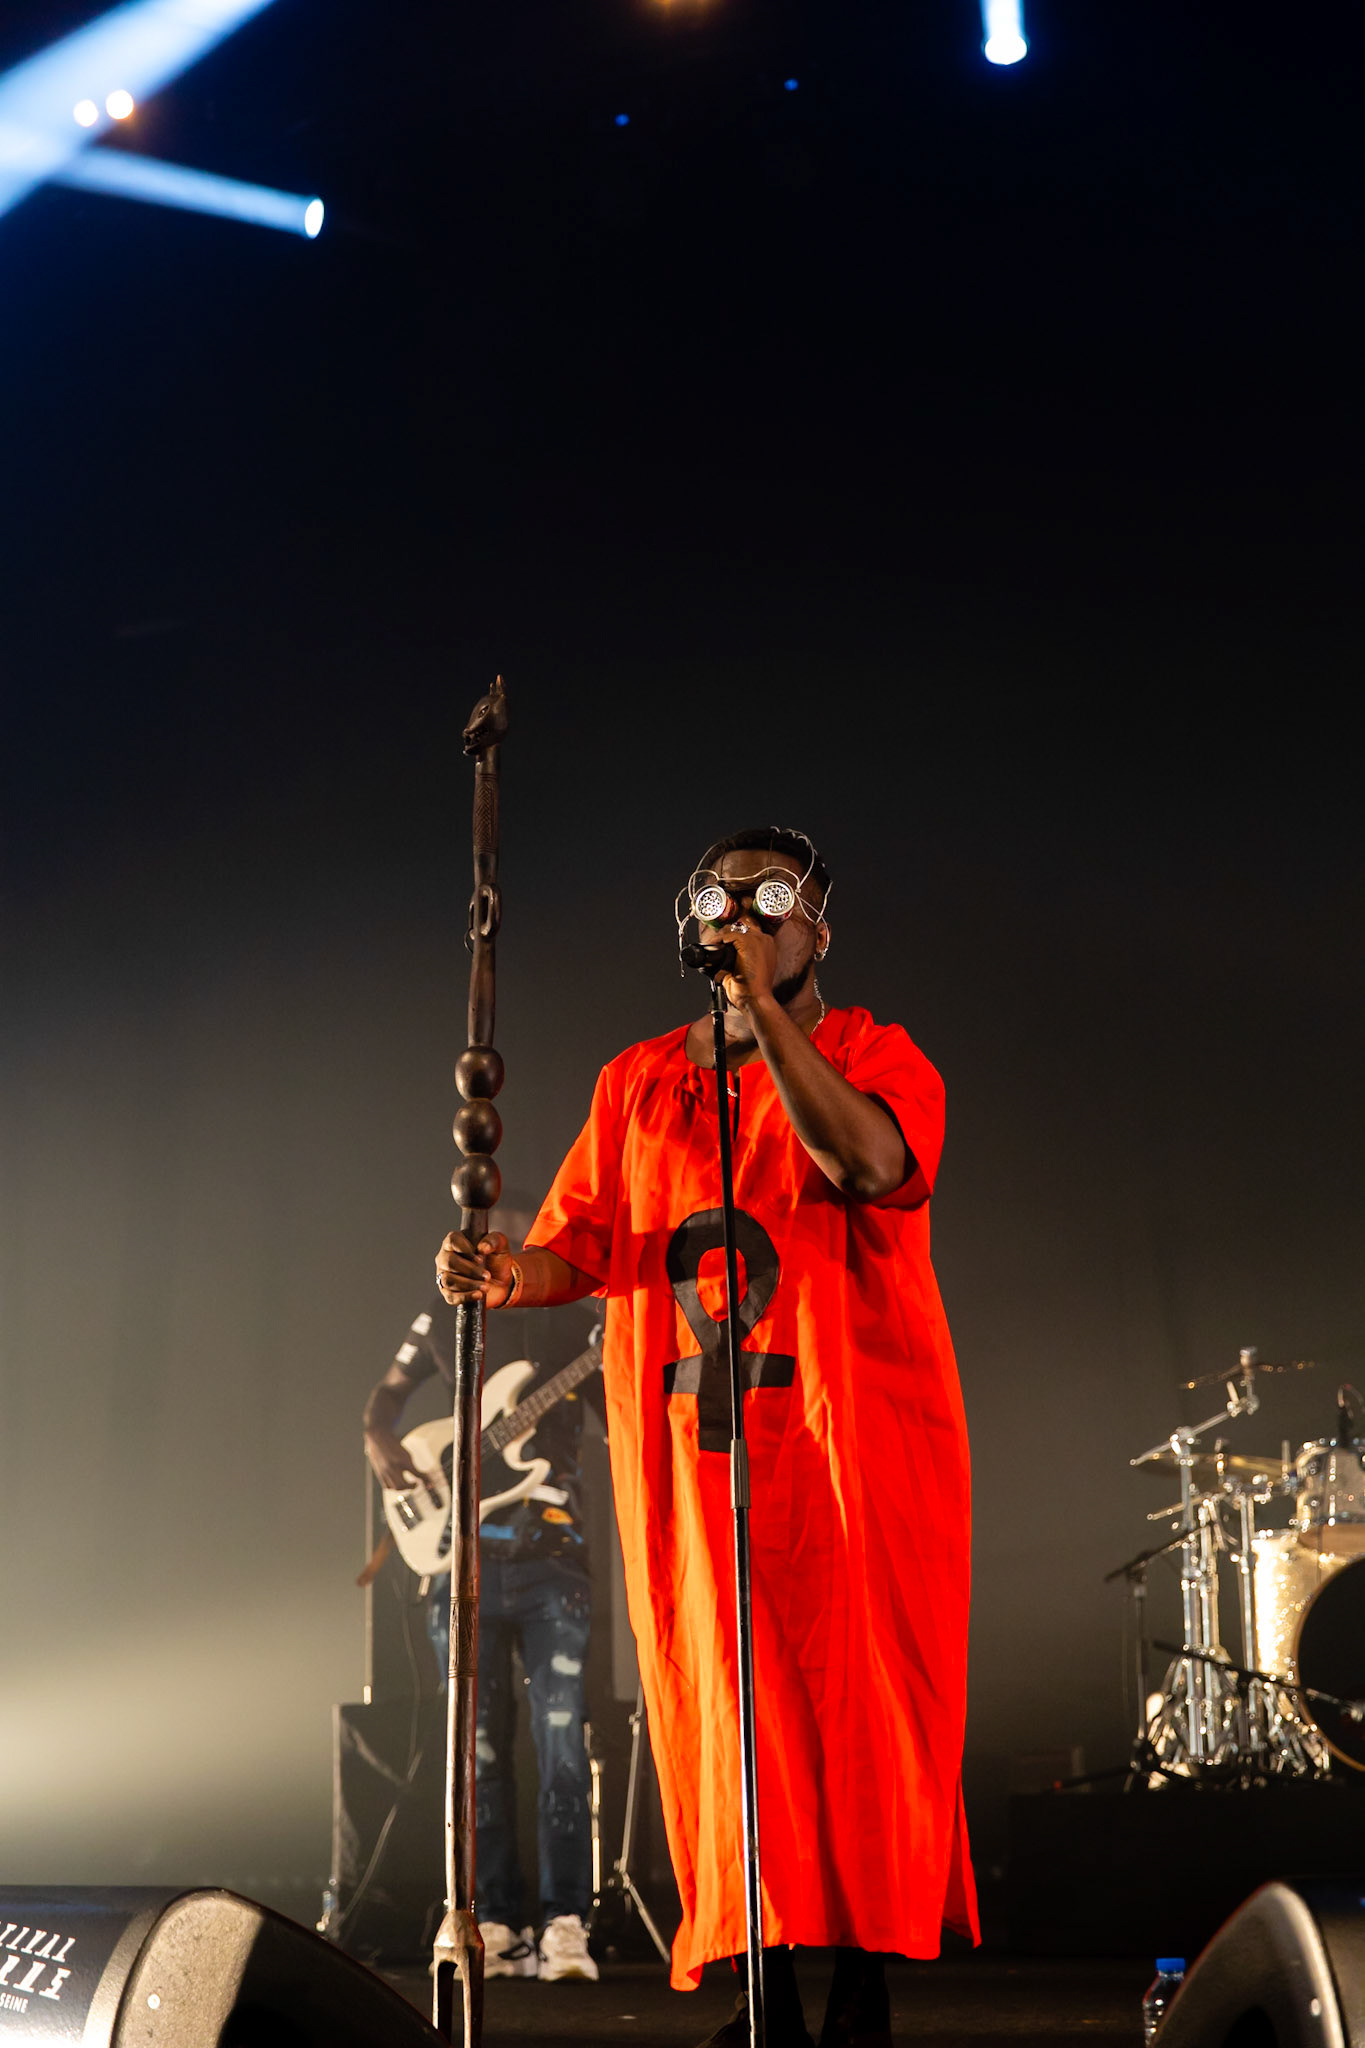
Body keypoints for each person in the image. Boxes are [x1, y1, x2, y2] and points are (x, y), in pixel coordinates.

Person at [436, 829, 978, 2048]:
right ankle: (764, 1983)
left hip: (854, 1439)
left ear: (817, 930)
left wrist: (760, 1024)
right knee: (729, 1709)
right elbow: (581, 1243)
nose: (741, 914)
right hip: (703, 1448)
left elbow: (867, 1158)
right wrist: (500, 1273)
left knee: (863, 1705)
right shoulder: (637, 1081)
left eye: (769, 898)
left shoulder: (874, 1055)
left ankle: (863, 1981)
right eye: (718, 897)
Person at [364, 1206, 603, 1985]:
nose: (495, 1245)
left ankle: (567, 1922)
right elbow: (383, 1404)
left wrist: (614, 1369)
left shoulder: (569, 1315)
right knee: (480, 1755)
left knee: (563, 1746)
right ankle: (494, 1920)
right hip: (461, 1564)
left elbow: (620, 1413)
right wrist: (381, 1444)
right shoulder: (445, 1306)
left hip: (552, 1559)